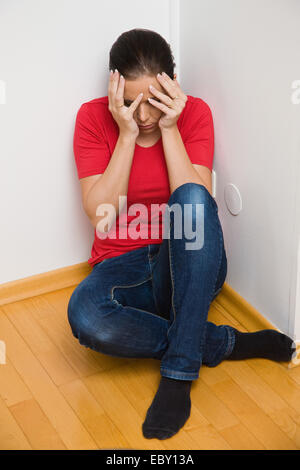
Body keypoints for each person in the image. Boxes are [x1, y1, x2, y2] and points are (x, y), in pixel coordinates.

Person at [67, 28, 296, 441]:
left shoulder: (195, 114)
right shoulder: (92, 118)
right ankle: (222, 343)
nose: (143, 115)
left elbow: (197, 208)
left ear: (173, 85)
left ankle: (178, 373)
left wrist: (170, 129)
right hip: (124, 267)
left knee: (192, 196)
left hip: (190, 258)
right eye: (131, 101)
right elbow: (102, 218)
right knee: (85, 315)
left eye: (153, 101)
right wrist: (127, 136)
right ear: (114, 88)